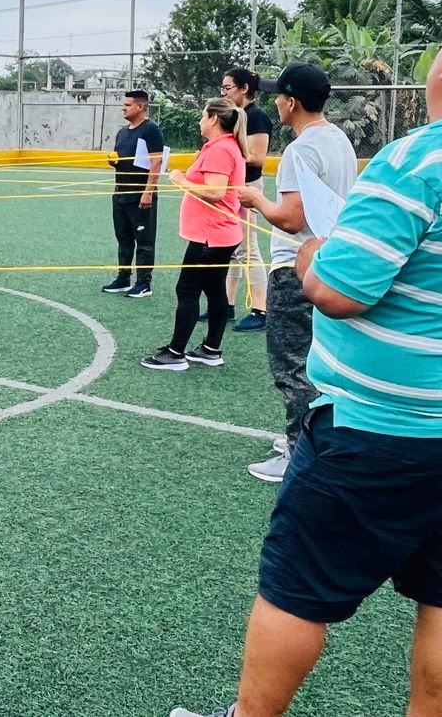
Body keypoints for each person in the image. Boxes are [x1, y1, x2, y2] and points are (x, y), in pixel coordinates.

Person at [172, 0, 442, 717]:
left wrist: (311, 252)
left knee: (295, 590)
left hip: (380, 432)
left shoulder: (419, 159)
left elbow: (337, 291)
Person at [233, 64, 356, 483]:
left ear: (292, 102)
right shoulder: (338, 139)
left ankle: (298, 452)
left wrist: (255, 200)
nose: (276, 104)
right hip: (329, 264)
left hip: (296, 268)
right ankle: (315, 438)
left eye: (279, 97)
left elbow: (290, 218)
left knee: (292, 366)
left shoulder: (300, 150)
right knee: (321, 361)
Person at [140, 98, 246, 372]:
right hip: (220, 234)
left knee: (187, 290)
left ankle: (175, 353)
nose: (200, 121)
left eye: (202, 116)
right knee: (214, 289)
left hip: (211, 236)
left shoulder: (221, 149)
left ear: (213, 119)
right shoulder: (224, 147)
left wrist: (181, 180)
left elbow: (216, 191)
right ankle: (211, 349)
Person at [219, 67, 273, 333]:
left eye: (227, 88)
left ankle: (260, 310)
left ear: (244, 89)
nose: (223, 93)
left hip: (248, 187)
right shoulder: (236, 116)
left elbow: (258, 158)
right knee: (232, 249)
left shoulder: (256, 116)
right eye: (222, 88)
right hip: (233, 188)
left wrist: (224, 155)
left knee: (249, 249)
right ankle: (226, 305)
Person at [102, 89, 164, 298]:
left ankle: (144, 283)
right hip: (121, 194)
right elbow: (124, 159)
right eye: (124, 104)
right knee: (124, 238)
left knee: (144, 241)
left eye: (128, 105)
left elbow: (156, 161)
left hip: (140, 196)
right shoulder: (122, 132)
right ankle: (123, 278)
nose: (124, 108)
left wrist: (148, 193)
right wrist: (115, 161)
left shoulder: (151, 130)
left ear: (141, 107)